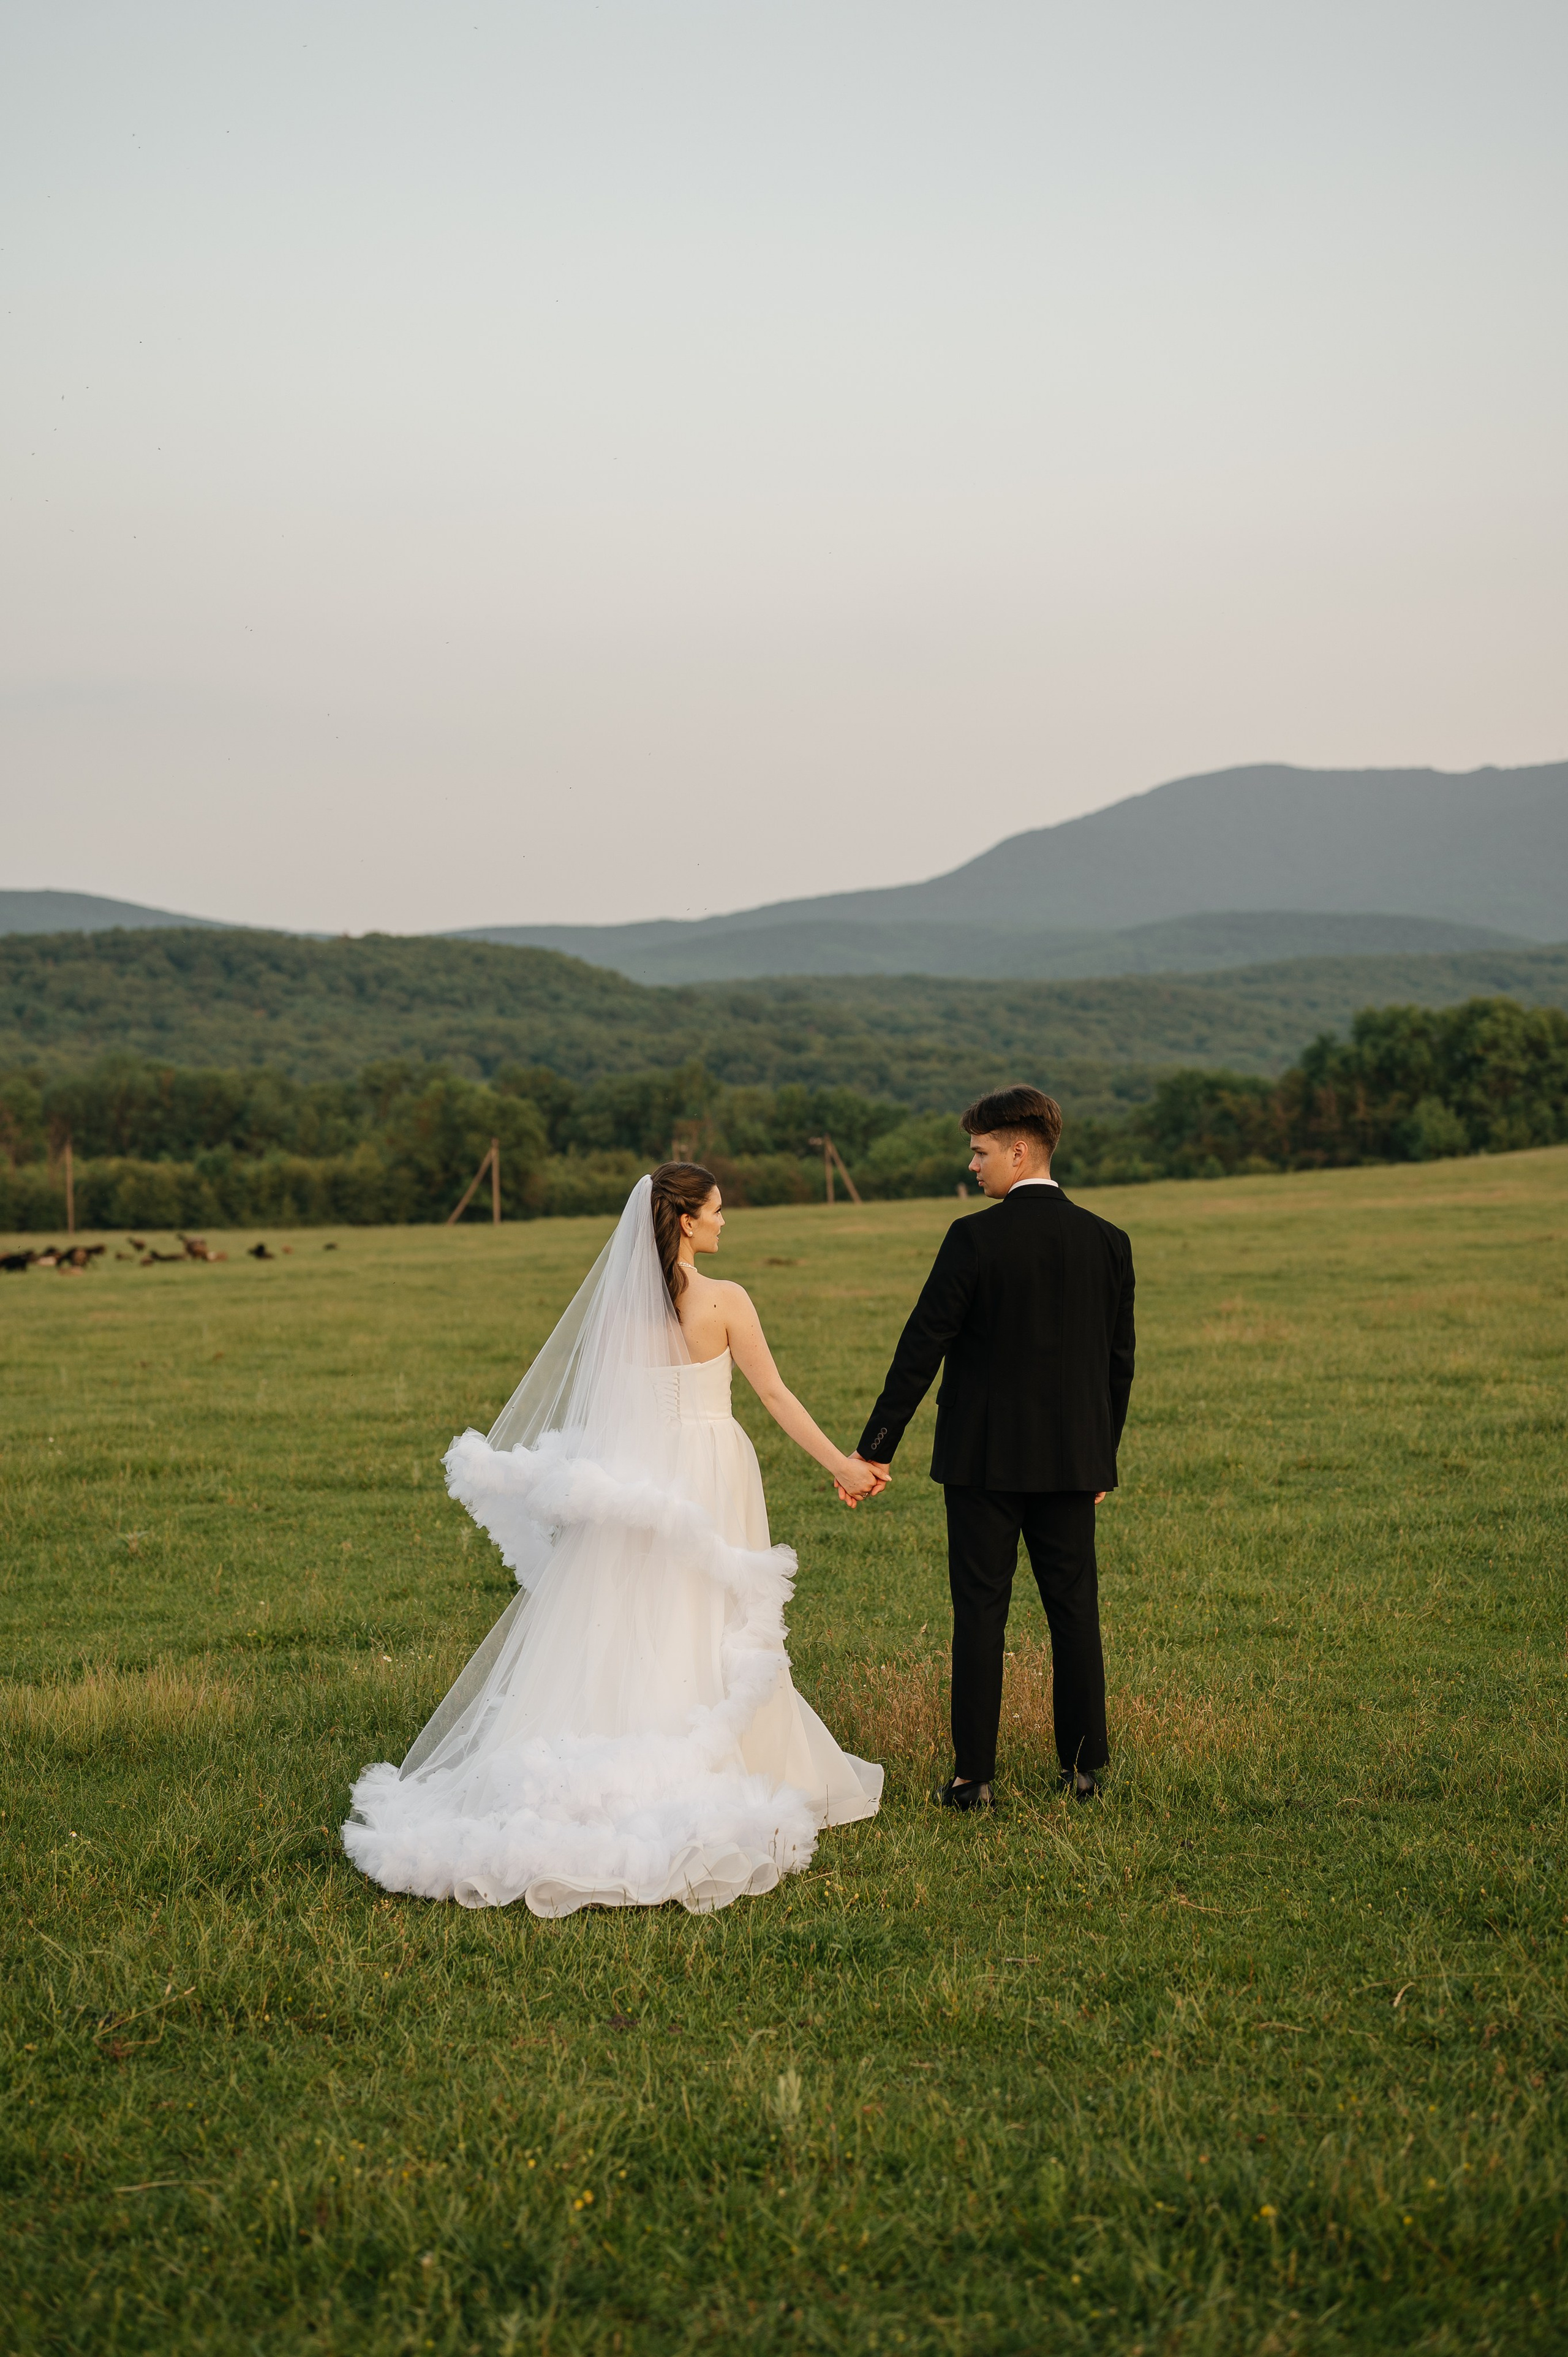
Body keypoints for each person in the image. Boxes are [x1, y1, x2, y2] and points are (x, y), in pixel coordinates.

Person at [342, 1165, 883, 1917]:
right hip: (712, 1468)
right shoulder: (726, 1300)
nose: (726, 1223)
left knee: (635, 1607)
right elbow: (774, 1394)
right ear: (686, 1221)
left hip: (643, 1476)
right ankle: (725, 1750)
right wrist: (842, 1466)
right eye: (717, 1212)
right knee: (714, 1610)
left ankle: (635, 1728)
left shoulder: (623, 1309)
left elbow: (608, 1403)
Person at [846, 1085, 1134, 1809]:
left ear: (1017, 1150)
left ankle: (973, 1777)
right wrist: (1103, 1457)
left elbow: (922, 1348)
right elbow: (1117, 1362)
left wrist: (877, 1445)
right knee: (1074, 1609)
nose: (972, 1166)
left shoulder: (971, 1238)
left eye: (979, 1152)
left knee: (979, 1611)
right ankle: (1083, 1770)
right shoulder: (1107, 1239)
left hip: (981, 1462)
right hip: (1074, 1461)